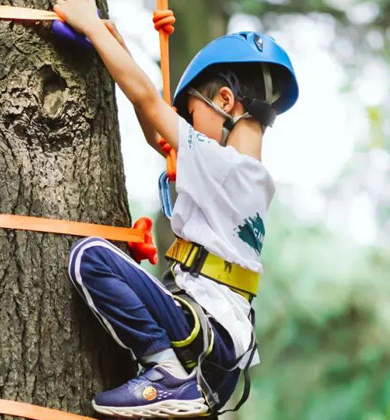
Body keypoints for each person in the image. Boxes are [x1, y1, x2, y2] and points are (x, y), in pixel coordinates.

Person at [55, 0, 299, 417]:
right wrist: (118, 46)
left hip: (207, 332)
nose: (183, 118)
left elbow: (152, 107)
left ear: (225, 99)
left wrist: (92, 29)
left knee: (90, 258)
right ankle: (174, 378)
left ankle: (167, 372)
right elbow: (158, 131)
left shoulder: (223, 166)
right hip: (221, 356)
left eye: (190, 110)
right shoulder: (245, 176)